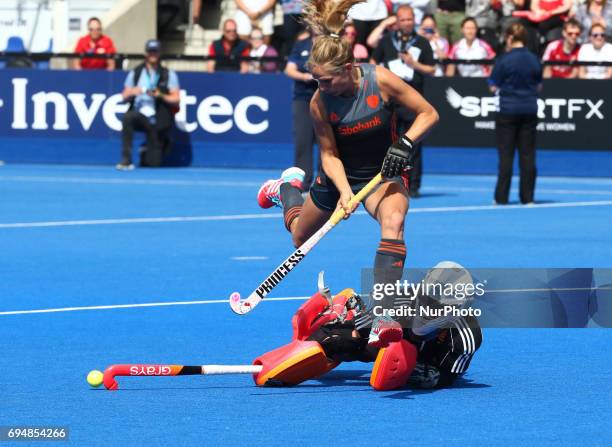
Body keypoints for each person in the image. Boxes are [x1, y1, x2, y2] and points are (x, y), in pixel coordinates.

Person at [257, 0, 439, 348]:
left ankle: (382, 314)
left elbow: (428, 113)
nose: (321, 86)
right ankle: (287, 190)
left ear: (349, 67)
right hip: (341, 173)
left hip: (383, 174)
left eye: (326, 80)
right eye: (316, 80)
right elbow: (328, 153)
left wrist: (405, 144)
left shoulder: (380, 80)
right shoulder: (319, 103)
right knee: (299, 236)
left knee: (394, 221)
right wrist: (343, 191)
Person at [369, 5, 436, 198]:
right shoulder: (387, 41)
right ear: (396, 21)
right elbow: (373, 62)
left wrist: (413, 64)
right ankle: (390, 181)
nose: (406, 23)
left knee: (414, 142)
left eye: (409, 19)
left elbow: (431, 69)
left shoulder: (422, 42)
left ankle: (413, 185)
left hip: (414, 101)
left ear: (414, 20)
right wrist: (383, 77)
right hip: (390, 101)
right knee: (388, 142)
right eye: (403, 20)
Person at [488, 23, 542, 205]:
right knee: (527, 155)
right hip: (528, 110)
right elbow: (539, 85)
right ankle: (528, 198)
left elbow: (493, 85)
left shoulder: (504, 59)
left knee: (506, 155)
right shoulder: (534, 59)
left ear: (510, 38)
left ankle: (501, 197)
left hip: (508, 111)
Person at [117, 40, 180, 170]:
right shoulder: (136, 73)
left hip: (158, 117)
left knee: (154, 163)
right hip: (140, 115)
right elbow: (123, 96)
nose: (153, 54)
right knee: (128, 118)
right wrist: (133, 92)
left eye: (155, 51)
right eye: (150, 51)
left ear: (159, 53)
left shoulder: (168, 74)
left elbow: (177, 99)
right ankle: (126, 160)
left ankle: (159, 145)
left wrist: (161, 95)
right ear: (146, 53)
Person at [284, 30, 318, 189]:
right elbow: (289, 69)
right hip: (303, 98)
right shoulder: (301, 45)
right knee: (303, 141)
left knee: (329, 144)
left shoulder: (332, 45)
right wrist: (306, 77)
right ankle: (302, 183)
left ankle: (327, 183)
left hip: (327, 98)